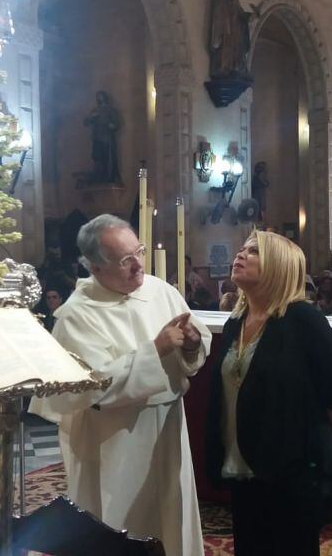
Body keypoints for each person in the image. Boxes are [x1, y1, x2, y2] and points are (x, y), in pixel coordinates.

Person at [28, 214, 211, 556]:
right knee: (120, 525)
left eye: (138, 252)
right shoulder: (77, 314)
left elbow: (197, 345)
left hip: (168, 428)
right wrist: (154, 349)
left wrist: (190, 342)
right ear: (95, 267)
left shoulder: (160, 291)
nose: (137, 265)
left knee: (173, 519)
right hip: (113, 439)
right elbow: (92, 387)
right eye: (125, 260)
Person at [205, 231, 332, 555]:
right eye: (242, 248)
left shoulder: (303, 319)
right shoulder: (236, 322)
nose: (241, 254)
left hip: (292, 472)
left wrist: (307, 436)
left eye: (254, 251)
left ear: (279, 266)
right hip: (242, 466)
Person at [82, 91, 121, 184]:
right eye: (97, 97)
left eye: (101, 96)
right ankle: (99, 177)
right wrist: (92, 117)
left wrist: (111, 125)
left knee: (108, 158)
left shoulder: (110, 110)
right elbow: (86, 122)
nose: (99, 98)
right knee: (97, 158)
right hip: (97, 138)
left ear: (104, 97)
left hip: (107, 138)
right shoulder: (95, 111)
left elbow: (116, 124)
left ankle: (109, 177)